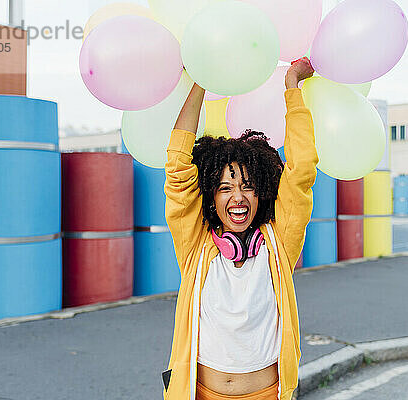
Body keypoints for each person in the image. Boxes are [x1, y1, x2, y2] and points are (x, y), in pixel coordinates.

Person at [163, 58, 318, 400]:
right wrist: (202, 80)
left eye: (248, 186)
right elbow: (177, 167)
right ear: (210, 197)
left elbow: (302, 170)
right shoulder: (196, 246)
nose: (238, 197)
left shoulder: (279, 243)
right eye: (224, 187)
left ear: (262, 191)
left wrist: (293, 85)